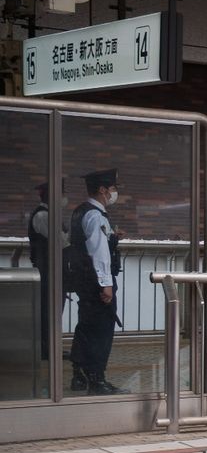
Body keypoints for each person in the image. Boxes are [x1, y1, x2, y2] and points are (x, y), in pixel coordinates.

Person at [64, 169, 122, 395]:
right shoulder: (96, 215)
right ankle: (97, 379)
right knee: (101, 330)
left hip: (83, 279)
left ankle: (78, 376)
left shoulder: (80, 212)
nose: (113, 193)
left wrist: (113, 237)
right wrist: (105, 284)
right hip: (96, 282)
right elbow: (99, 253)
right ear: (102, 189)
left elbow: (78, 245)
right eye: (112, 189)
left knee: (85, 326)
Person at [25, 183, 50, 366]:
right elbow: (60, 240)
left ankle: (48, 346)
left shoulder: (47, 214)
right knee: (45, 308)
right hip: (45, 268)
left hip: (48, 268)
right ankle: (44, 348)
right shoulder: (43, 215)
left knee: (50, 308)